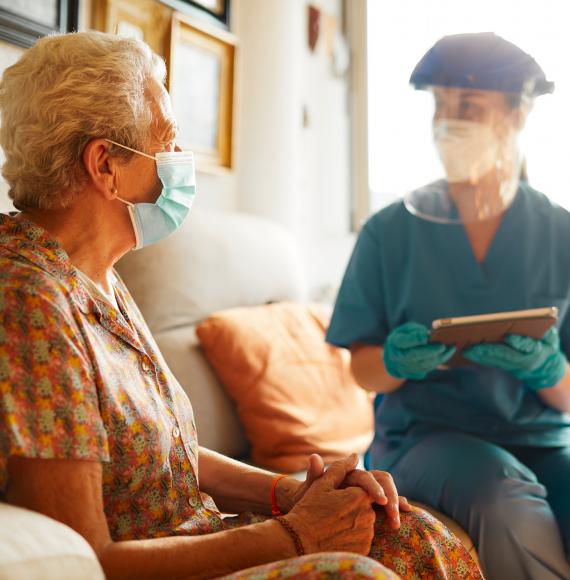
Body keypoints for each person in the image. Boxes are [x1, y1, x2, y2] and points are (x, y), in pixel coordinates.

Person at [0, 31, 482, 579]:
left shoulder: (96, 273)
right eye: (168, 141)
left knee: (411, 531)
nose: (182, 161)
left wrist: (296, 493)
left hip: (201, 534)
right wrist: (296, 534)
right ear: (104, 165)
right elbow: (89, 561)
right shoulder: (29, 300)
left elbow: (167, 456)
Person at [327, 32, 570, 580]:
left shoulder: (561, 233)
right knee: (500, 496)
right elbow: (361, 370)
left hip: (542, 440)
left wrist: (548, 368)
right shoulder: (388, 232)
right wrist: (393, 361)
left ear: (517, 116)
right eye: (439, 104)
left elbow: (569, 392)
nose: (447, 121)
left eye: (469, 106)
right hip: (427, 440)